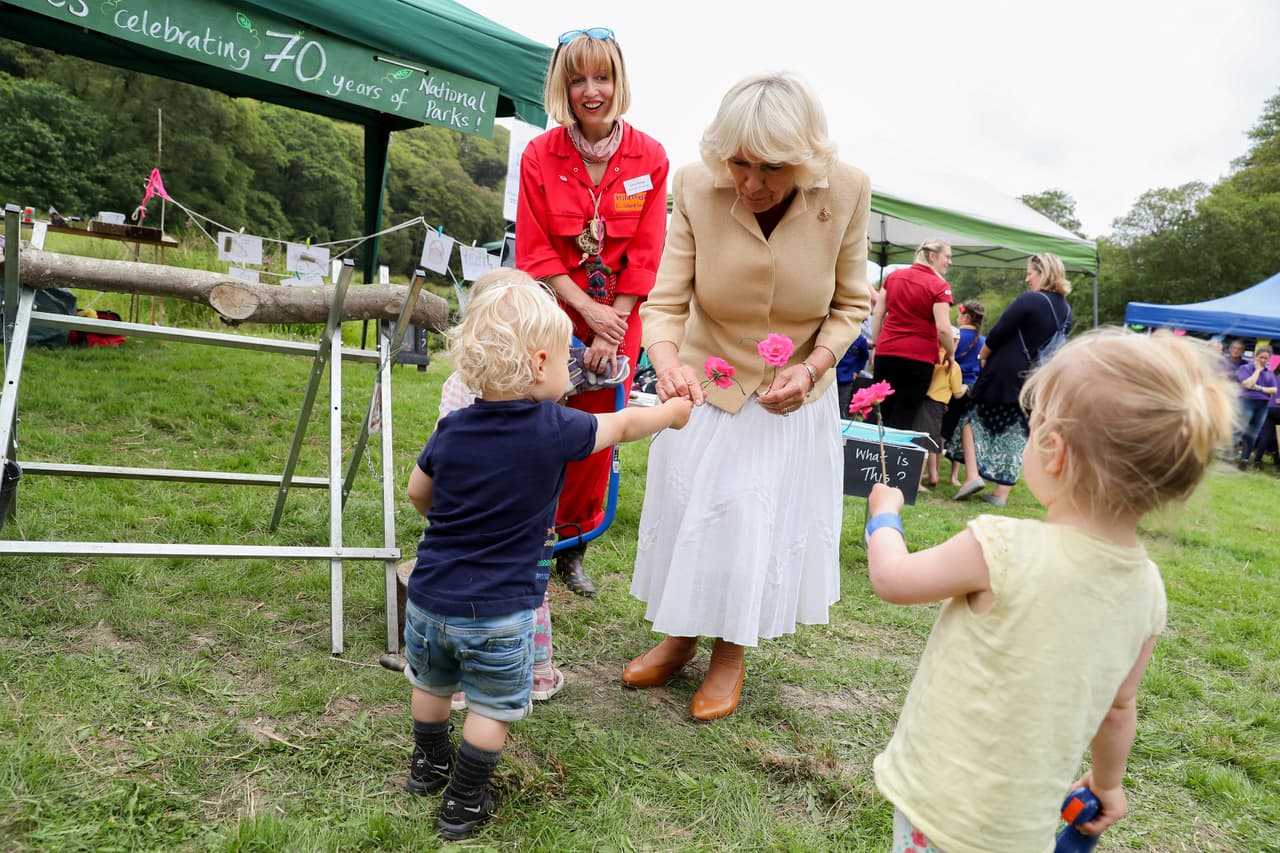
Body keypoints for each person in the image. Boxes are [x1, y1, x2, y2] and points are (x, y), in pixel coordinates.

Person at [865, 328, 1235, 852]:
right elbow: (1118, 707)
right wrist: (1107, 785)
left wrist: (884, 518)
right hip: (1023, 828)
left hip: (942, 807)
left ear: (1054, 452)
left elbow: (892, 579)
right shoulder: (1149, 590)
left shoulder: (1001, 545)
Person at [622, 71, 872, 721]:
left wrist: (815, 368)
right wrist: (667, 360)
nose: (751, 182)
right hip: (710, 379)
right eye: (738, 163)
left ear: (805, 162)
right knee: (690, 510)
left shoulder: (846, 191)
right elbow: (667, 299)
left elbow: (850, 303)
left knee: (749, 520)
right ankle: (679, 635)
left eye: (770, 168)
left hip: (788, 389)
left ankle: (729, 652)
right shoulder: (693, 186)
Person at [401, 282, 691, 840]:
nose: (570, 371)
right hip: (500, 611)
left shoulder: (452, 429)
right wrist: (672, 413)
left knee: (432, 686)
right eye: (566, 360)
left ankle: (427, 766)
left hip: (429, 597)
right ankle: (463, 802)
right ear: (539, 364)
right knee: (489, 708)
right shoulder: (556, 427)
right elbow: (625, 425)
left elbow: (419, 493)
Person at [516, 27, 669, 597]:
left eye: (601, 77)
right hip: (551, 316)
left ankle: (572, 546)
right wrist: (583, 310)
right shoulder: (540, 154)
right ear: (563, 85)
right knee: (534, 424)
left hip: (618, 323)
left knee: (594, 433)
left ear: (618, 81)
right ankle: (524, 533)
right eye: (577, 78)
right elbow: (534, 248)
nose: (590, 90)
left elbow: (648, 250)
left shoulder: (650, 157)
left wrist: (615, 324)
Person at [435, 269, 567, 709]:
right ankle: (537, 674)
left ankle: (454, 680)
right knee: (532, 591)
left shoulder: (457, 385)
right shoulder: (540, 395)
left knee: (464, 593)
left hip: (465, 519)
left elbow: (439, 453)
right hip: (530, 525)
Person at [953, 252, 1072, 507]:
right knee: (1018, 428)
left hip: (1005, 371)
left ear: (1043, 273)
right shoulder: (1066, 310)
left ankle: (973, 475)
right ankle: (1001, 494)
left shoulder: (1030, 300)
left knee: (971, 417)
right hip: (1035, 377)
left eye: (1031, 272)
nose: (1028, 278)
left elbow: (999, 331)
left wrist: (983, 355)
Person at [870, 240, 955, 430]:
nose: (950, 262)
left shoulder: (894, 277)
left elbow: (878, 313)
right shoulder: (939, 286)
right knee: (904, 417)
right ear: (932, 256)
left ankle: (873, 456)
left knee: (882, 412)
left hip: (887, 353)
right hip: (918, 359)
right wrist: (950, 354)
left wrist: (876, 344)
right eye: (947, 257)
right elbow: (943, 328)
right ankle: (891, 458)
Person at [914, 329, 965, 489]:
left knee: (926, 439)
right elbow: (957, 394)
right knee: (926, 442)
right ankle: (917, 482)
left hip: (921, 401)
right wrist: (966, 387)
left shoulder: (930, 357)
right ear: (954, 342)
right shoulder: (953, 365)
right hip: (935, 405)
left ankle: (933, 475)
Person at [943, 300, 985, 486]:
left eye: (959, 315)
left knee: (943, 430)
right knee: (963, 431)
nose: (957, 319)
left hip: (954, 386)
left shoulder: (957, 337)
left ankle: (932, 471)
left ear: (966, 317)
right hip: (973, 388)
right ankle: (954, 477)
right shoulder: (983, 341)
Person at [1235, 344, 1277, 469]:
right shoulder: (1245, 368)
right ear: (1255, 356)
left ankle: (1244, 459)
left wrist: (1259, 388)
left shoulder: (1269, 372)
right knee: (1240, 430)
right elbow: (1247, 384)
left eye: (1266, 358)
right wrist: (1258, 370)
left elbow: (1274, 390)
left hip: (1263, 405)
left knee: (1253, 433)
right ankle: (1229, 456)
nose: (1263, 360)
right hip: (1247, 401)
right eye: (1261, 357)